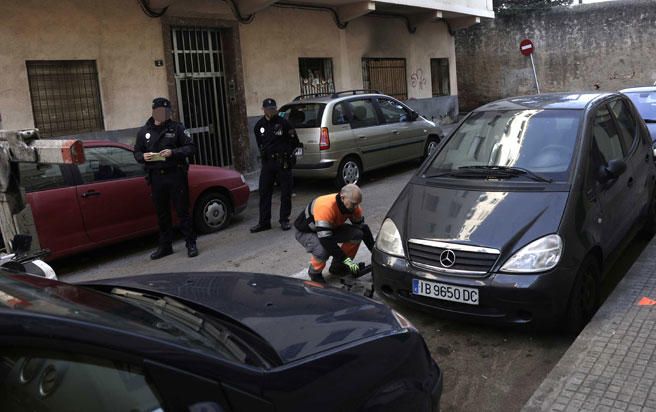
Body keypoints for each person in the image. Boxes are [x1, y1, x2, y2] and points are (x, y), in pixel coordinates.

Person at [134, 97, 198, 259]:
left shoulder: (177, 128)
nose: (163, 114)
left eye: (166, 111)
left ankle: (191, 243)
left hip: (175, 175)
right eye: (160, 111)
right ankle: (165, 246)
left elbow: (191, 148)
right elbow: (136, 152)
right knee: (162, 214)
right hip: (156, 177)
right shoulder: (144, 132)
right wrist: (143, 156)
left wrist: (173, 152)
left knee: (183, 211)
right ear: (154, 111)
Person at [294, 184, 375, 283]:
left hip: (329, 229)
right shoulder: (326, 207)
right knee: (323, 250)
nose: (356, 207)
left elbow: (363, 229)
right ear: (342, 197)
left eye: (358, 204)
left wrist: (376, 255)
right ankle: (315, 273)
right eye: (353, 204)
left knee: (357, 234)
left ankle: (338, 267)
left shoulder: (354, 206)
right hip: (306, 231)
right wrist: (350, 264)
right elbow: (327, 242)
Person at [250, 98, 301, 233]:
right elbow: (260, 143)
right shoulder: (259, 126)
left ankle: (284, 219)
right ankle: (264, 222)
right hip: (268, 163)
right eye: (269, 109)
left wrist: (287, 154)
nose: (272, 111)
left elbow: (295, 141)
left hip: (282, 162)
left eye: (273, 108)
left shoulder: (284, 123)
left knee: (286, 192)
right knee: (264, 192)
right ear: (264, 109)